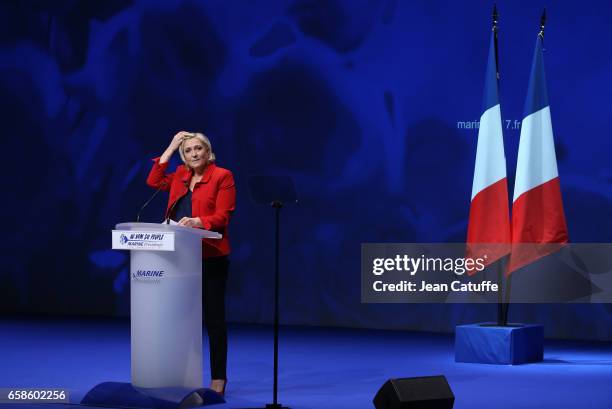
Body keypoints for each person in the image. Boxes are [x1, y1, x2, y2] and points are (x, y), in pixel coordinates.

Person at [146, 131, 235, 395]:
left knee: (214, 319)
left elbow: (223, 216)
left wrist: (199, 221)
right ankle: (178, 372)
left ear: (208, 152)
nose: (194, 154)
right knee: (178, 318)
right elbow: (153, 180)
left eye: (198, 149)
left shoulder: (222, 176)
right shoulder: (179, 177)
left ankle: (218, 377)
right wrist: (172, 145)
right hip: (178, 258)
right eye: (188, 151)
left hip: (210, 255)